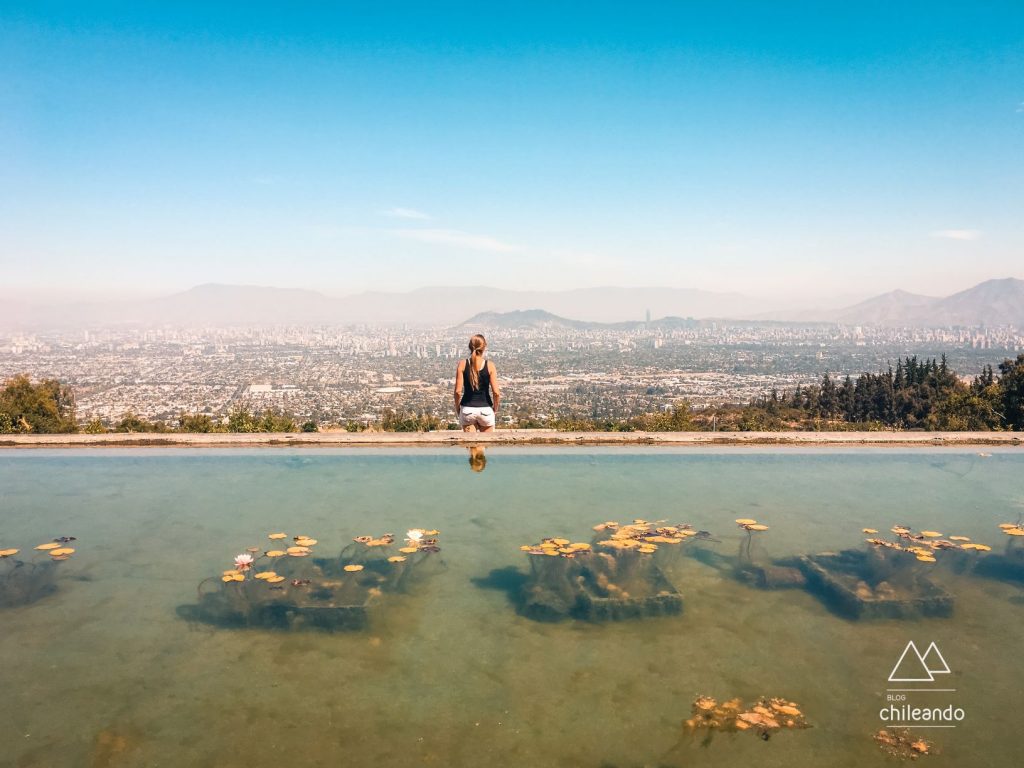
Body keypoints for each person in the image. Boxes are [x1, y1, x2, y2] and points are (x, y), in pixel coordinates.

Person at [454, 334, 500, 432]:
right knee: (484, 444)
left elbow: (458, 392)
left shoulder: (462, 364)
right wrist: (495, 409)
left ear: (470, 347)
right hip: (486, 410)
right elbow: (496, 393)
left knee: (472, 446)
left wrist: (458, 409)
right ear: (484, 347)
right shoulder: (490, 365)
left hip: (467, 410)